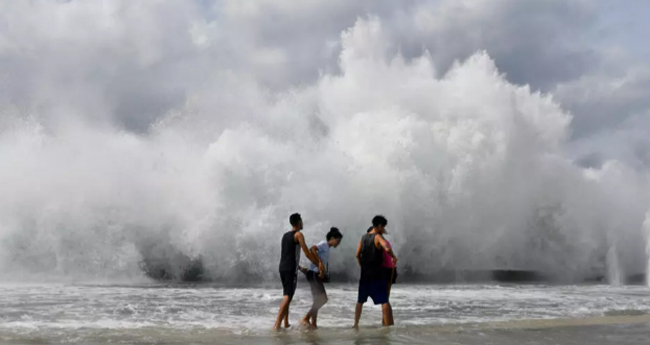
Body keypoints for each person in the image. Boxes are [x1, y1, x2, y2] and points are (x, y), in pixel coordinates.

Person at [274, 213, 324, 330]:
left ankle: (285, 323)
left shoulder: (285, 235)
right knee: (288, 296)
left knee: (287, 294)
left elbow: (287, 254)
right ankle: (277, 325)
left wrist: (299, 267)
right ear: (298, 222)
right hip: (291, 268)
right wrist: (318, 264)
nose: (302, 222)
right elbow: (306, 252)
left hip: (283, 267)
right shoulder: (299, 235)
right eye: (301, 220)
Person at [353, 215, 398, 328]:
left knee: (360, 301)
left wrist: (362, 265)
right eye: (383, 227)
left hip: (364, 274)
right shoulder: (378, 237)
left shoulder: (363, 237)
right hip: (376, 274)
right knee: (384, 301)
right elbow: (386, 248)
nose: (383, 230)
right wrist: (393, 256)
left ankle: (356, 324)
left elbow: (357, 254)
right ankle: (387, 327)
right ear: (379, 226)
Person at [299, 227, 343, 329]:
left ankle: (314, 324)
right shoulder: (324, 244)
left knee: (317, 300)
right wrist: (319, 263)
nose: (338, 243)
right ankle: (306, 318)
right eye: (338, 241)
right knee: (323, 299)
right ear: (332, 238)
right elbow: (312, 249)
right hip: (314, 274)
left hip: (314, 274)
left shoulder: (327, 249)